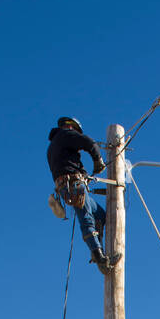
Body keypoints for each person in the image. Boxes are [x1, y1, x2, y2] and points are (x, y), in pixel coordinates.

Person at [46, 116, 120, 274]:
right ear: (72, 127)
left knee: (99, 215)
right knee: (86, 218)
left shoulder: (53, 146)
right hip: (73, 185)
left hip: (69, 186)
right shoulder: (66, 135)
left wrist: (86, 174)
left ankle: (98, 248)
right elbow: (88, 142)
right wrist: (97, 160)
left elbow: (69, 164)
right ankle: (100, 258)